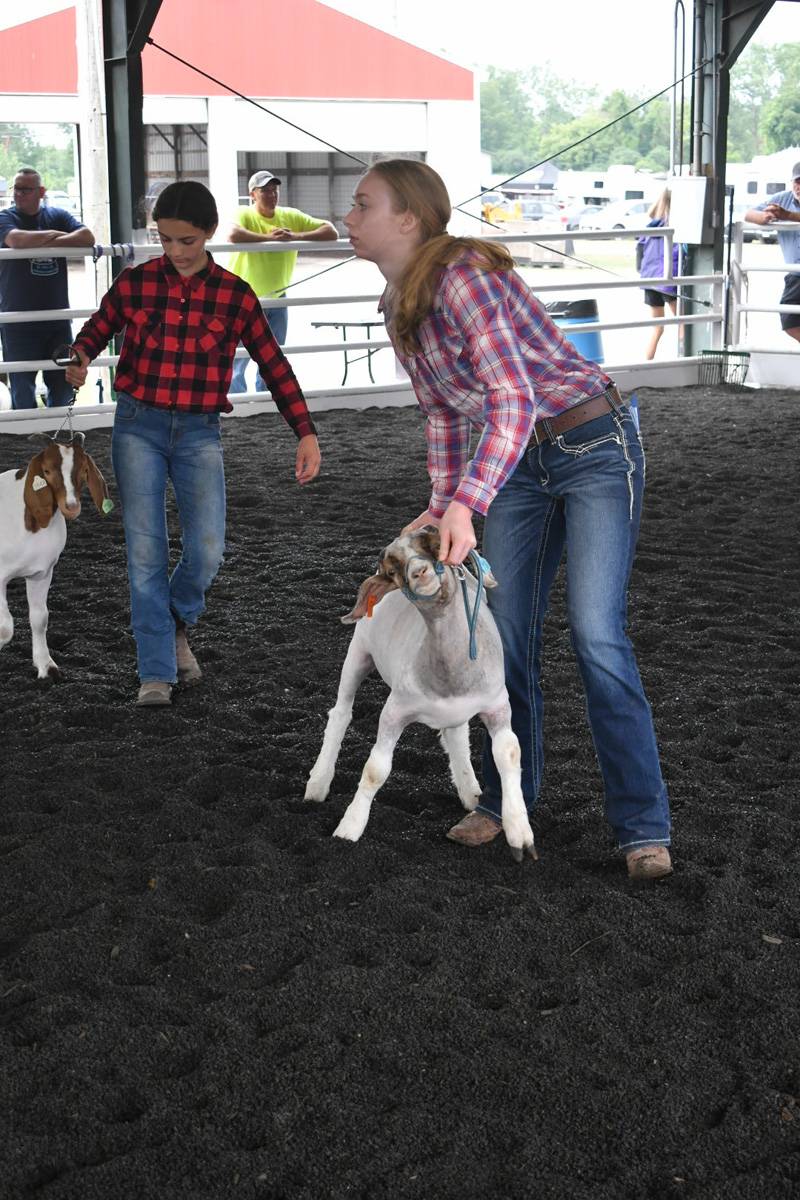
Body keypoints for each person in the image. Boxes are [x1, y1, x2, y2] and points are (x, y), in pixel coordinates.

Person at [343, 159, 672, 881]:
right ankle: (501, 799)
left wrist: (467, 502)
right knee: (503, 635)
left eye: (363, 204)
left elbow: (513, 397)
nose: (349, 217)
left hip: (592, 444)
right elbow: (441, 415)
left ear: (408, 218)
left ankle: (643, 825)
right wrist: (440, 499)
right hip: (518, 463)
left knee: (596, 634)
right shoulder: (401, 302)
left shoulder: (463, 275)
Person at [65, 180, 321, 709]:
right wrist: (80, 356)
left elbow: (274, 364)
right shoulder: (136, 284)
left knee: (207, 549)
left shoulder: (235, 295)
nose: (175, 251)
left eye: (185, 240)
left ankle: (176, 619)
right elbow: (97, 327)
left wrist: (305, 431)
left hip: (200, 430)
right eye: (164, 239)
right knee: (144, 550)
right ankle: (155, 669)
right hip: (137, 425)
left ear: (207, 233)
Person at [227, 169, 338, 391]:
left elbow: (331, 231)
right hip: (245, 297)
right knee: (238, 355)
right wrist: (269, 239)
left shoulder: (290, 216)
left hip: (278, 297)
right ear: (252, 195)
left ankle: (266, 399)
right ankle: (236, 401)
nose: (271, 194)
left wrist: (295, 237)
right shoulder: (244, 214)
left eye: (274, 190)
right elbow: (232, 235)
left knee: (273, 355)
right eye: (265, 191)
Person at [0, 167, 95, 409]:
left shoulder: (58, 215)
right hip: (18, 322)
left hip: (57, 320)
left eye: (26, 189)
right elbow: (16, 240)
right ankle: (23, 446)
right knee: (22, 392)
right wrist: (55, 236)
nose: (19, 195)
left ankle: (58, 440)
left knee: (63, 388)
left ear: (41, 192)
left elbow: (87, 238)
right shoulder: (5, 217)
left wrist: (42, 238)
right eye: (16, 189)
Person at [745, 163, 800, 343]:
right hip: (795, 273)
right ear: (792, 182)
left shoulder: (785, 208)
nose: (799, 186)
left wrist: (788, 216)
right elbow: (748, 214)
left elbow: (787, 215)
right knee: (789, 319)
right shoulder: (782, 199)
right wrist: (761, 217)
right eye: (797, 182)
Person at [636, 188, 679, 360]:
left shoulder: (649, 227)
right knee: (683, 323)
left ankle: (647, 361)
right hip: (669, 280)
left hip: (650, 280)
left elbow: (639, 258)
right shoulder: (677, 226)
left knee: (657, 327)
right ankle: (688, 358)